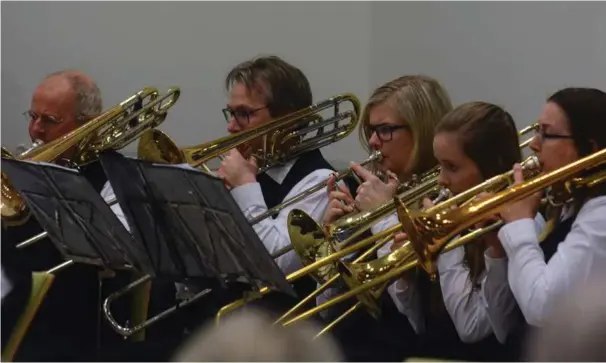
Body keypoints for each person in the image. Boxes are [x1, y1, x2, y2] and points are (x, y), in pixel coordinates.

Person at [1, 70, 177, 361]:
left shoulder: (116, 179)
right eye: (33, 117)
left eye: (49, 121)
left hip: (73, 323)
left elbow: (121, 253)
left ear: (87, 124)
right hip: (17, 303)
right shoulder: (25, 168)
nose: (35, 131)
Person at [351, 101, 529, 361]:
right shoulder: (449, 204)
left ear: (491, 168)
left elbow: (471, 327)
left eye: (452, 167)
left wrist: (445, 239)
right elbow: (418, 322)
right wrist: (407, 278)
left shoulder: (515, 224)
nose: (441, 180)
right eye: (440, 166)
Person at [318, 75, 453, 361]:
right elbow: (327, 307)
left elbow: (419, 318)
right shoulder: (366, 190)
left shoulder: (444, 199)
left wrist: (383, 216)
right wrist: (332, 243)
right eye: (371, 130)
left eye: (385, 130)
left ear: (422, 131)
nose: (373, 141)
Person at [495, 87, 606, 357]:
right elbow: (500, 328)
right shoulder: (564, 204)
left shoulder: (601, 214)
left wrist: (518, 224)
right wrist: (495, 244)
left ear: (590, 149)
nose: (534, 144)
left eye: (547, 134)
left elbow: (542, 308)